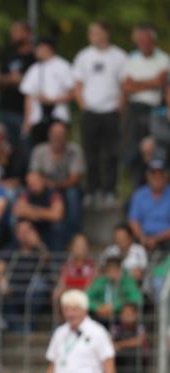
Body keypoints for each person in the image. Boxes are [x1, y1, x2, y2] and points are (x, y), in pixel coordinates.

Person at [72, 22, 126, 207]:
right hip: (90, 111)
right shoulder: (84, 56)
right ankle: (92, 190)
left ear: (106, 33)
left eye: (96, 32)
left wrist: (119, 107)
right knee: (90, 153)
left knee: (112, 153)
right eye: (91, 32)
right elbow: (77, 85)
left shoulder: (119, 56)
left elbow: (124, 86)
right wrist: (84, 106)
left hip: (111, 110)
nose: (92, 35)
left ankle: (109, 191)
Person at [122, 25, 169, 186]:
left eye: (145, 39)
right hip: (135, 109)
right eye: (139, 40)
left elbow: (160, 82)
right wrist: (150, 82)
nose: (142, 43)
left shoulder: (163, 59)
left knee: (154, 149)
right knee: (136, 150)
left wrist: (137, 83)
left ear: (152, 40)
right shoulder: (131, 59)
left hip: (155, 110)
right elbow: (127, 87)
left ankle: (158, 185)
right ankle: (139, 186)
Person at [29, 121, 84, 232]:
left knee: (72, 193)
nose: (57, 137)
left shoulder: (75, 150)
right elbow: (33, 175)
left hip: (66, 188)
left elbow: (75, 178)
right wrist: (45, 185)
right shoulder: (39, 150)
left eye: (61, 134)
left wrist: (55, 185)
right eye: (55, 134)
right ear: (49, 135)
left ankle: (73, 231)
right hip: (44, 189)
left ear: (66, 135)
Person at [20, 38, 74, 148]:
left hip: (58, 116)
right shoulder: (34, 68)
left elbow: (72, 93)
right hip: (38, 119)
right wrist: (27, 122)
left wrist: (51, 100)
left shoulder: (63, 66)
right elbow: (28, 97)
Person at [0, 20, 36, 147]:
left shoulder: (35, 57)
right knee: (7, 148)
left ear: (28, 34)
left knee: (25, 149)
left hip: (26, 112)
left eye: (17, 32)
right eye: (12, 32)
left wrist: (23, 80)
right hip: (6, 109)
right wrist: (9, 79)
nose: (13, 35)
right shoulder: (8, 53)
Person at [13, 171, 65, 251]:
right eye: (30, 182)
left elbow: (57, 215)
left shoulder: (53, 193)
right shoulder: (26, 194)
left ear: (43, 180)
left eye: (35, 181)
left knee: (57, 226)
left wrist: (32, 211)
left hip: (49, 226)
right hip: (33, 227)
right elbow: (17, 210)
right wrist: (45, 213)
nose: (32, 184)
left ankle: (56, 257)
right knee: (19, 224)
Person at [87, 257, 143, 328]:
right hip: (100, 316)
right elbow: (87, 298)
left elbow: (136, 299)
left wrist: (115, 306)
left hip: (119, 315)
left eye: (115, 270)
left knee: (128, 311)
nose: (112, 273)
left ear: (120, 270)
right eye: (109, 270)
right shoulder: (101, 281)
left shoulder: (128, 282)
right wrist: (98, 307)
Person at [128, 159, 170, 252]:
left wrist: (156, 239)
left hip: (166, 239)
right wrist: (142, 237)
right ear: (148, 176)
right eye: (154, 174)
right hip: (143, 239)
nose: (157, 177)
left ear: (166, 175)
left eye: (160, 174)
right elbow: (133, 220)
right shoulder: (139, 194)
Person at [53, 234, 97, 310]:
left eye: (83, 245)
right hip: (69, 296)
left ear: (88, 248)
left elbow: (92, 286)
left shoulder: (93, 266)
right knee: (57, 295)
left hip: (85, 297)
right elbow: (61, 284)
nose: (80, 248)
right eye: (77, 245)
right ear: (71, 247)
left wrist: (74, 290)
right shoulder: (66, 266)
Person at [111, 303, 147, 373]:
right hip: (118, 357)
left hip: (138, 360)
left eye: (129, 313)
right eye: (124, 313)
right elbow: (110, 343)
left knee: (132, 353)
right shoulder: (116, 326)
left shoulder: (140, 325)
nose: (126, 316)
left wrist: (120, 344)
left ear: (136, 315)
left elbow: (139, 341)